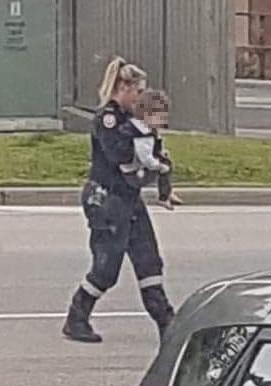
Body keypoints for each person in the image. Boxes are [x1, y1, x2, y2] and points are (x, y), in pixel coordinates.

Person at [62, 57, 175, 344]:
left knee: (149, 261)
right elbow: (121, 156)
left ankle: (167, 323)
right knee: (106, 267)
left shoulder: (134, 121)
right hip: (106, 200)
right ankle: (77, 317)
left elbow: (155, 154)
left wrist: (159, 169)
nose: (141, 99)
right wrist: (146, 157)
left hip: (130, 200)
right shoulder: (108, 119)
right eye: (138, 92)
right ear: (123, 88)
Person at [118, 88, 175, 211]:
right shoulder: (142, 134)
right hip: (132, 172)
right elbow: (146, 159)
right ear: (146, 114)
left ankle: (168, 191)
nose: (162, 121)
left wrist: (160, 152)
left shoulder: (140, 127)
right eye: (160, 117)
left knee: (165, 159)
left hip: (130, 166)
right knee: (166, 166)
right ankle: (164, 196)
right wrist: (159, 165)